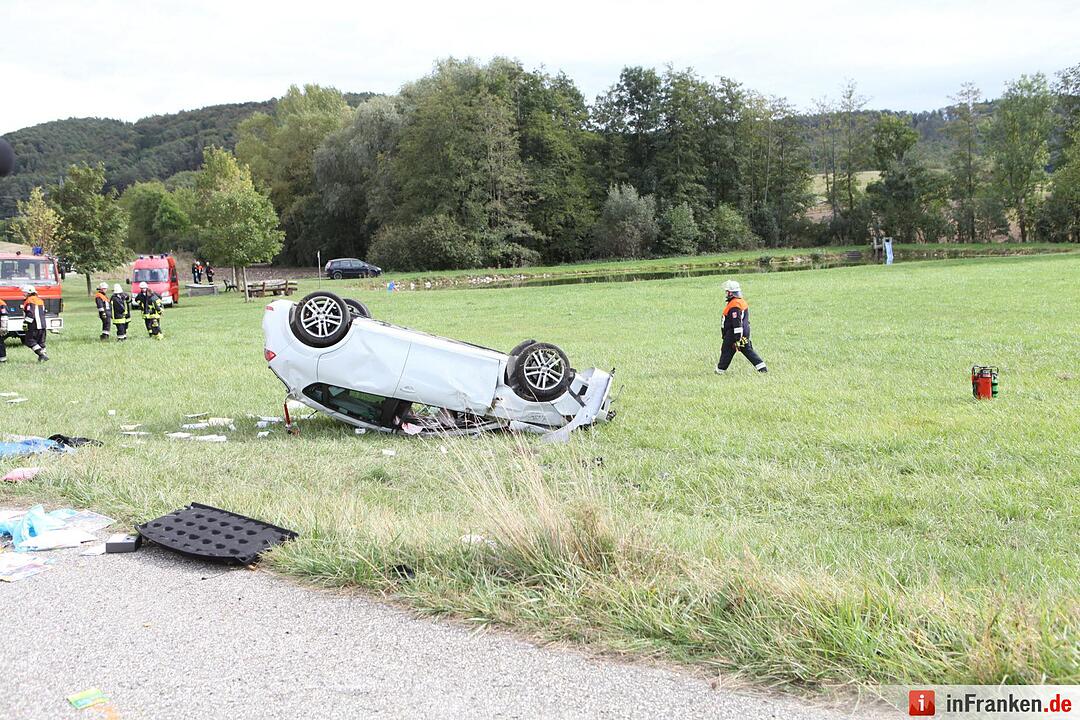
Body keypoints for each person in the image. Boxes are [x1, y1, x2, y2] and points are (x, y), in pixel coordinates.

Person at [715, 280, 767, 375]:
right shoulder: (740, 302)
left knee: (726, 350)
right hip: (743, 333)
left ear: (731, 293)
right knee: (747, 349)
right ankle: (762, 367)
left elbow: (737, 323)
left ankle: (720, 370)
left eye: (727, 291)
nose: (726, 293)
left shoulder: (735, 305)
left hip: (734, 335)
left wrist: (737, 339)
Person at [20, 285, 49, 362]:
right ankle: (43, 357)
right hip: (42, 325)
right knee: (41, 342)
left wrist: (26, 323)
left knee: (29, 341)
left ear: (29, 293)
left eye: (25, 293)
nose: (24, 294)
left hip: (34, 325)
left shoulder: (29, 300)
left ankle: (42, 355)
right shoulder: (40, 300)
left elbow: (31, 313)